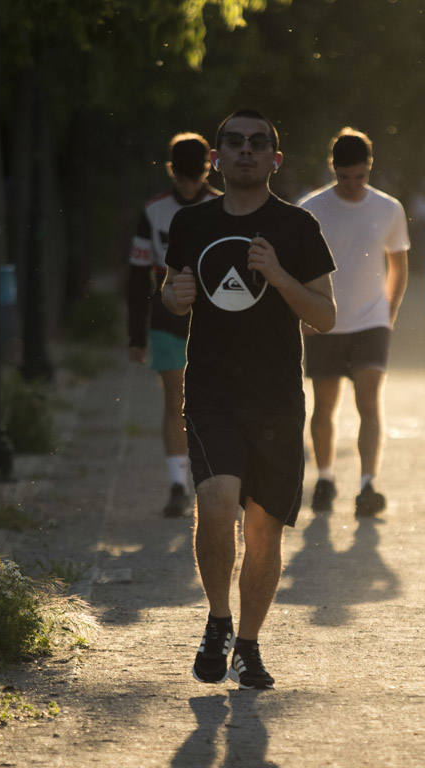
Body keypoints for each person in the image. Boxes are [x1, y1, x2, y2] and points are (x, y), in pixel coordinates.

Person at [161, 110, 336, 690]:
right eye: (233, 143)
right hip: (212, 391)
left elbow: (325, 316)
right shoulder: (190, 223)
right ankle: (217, 621)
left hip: (277, 398)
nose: (245, 152)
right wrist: (174, 295)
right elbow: (173, 289)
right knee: (215, 505)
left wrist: (279, 275)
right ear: (216, 156)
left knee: (263, 532)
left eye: (257, 144)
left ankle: (249, 646)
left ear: (274, 160)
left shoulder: (298, 226)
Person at [298, 128, 410, 517]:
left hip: (371, 321)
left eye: (359, 177)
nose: (351, 185)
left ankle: (367, 486)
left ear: (370, 168)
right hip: (324, 321)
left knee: (368, 402)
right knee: (325, 404)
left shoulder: (388, 208)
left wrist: (388, 311)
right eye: (344, 177)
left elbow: (398, 263)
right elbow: (297, 267)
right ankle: (325, 478)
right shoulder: (311, 207)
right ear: (333, 169)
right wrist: (305, 314)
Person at [126, 133, 219, 518]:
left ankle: (213, 479)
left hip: (215, 320)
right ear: (171, 172)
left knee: (213, 402)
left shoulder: (222, 207)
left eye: (194, 176)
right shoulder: (154, 211)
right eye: (181, 177)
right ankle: (179, 483)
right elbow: (136, 275)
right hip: (166, 317)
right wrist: (135, 334)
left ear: (208, 169)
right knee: (175, 401)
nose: (188, 184)